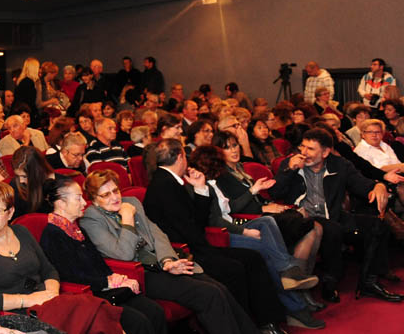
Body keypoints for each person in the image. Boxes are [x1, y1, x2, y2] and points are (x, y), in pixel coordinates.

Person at [79, 170, 260, 334]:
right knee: (208, 294)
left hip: (162, 263)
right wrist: (127, 219)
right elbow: (123, 254)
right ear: (94, 199)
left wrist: (167, 260)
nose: (115, 197)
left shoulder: (131, 202)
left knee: (219, 288)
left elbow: (157, 234)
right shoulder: (92, 219)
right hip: (141, 273)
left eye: (116, 191)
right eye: (106, 195)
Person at [142, 139, 288, 333]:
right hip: (184, 251)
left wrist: (200, 189)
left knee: (252, 258)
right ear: (180, 157)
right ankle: (247, 327)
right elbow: (190, 227)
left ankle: (268, 322)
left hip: (195, 244)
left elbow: (195, 221)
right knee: (234, 268)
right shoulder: (165, 185)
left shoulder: (169, 181)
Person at [187, 146, 325, 328]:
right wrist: (244, 232)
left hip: (234, 224)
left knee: (267, 222)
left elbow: (231, 209)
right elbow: (214, 221)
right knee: (263, 249)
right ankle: (296, 306)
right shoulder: (199, 186)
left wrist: (254, 190)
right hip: (222, 234)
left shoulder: (214, 183)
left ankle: (287, 269)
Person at [0, 182, 123, 334]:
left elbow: (48, 269)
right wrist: (28, 300)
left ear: (10, 212)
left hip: (46, 301)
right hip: (17, 314)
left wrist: (51, 293)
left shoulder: (21, 232)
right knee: (94, 311)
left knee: (98, 311)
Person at [270, 128, 400, 303]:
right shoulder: (291, 164)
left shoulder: (340, 164)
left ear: (325, 152)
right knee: (332, 228)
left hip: (333, 215)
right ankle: (330, 282)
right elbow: (275, 192)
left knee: (378, 225)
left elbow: (361, 185)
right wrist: (289, 170)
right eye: (303, 147)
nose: (304, 153)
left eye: (310, 149)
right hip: (305, 219)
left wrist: (378, 186)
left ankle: (368, 282)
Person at [39, 176, 166, 334]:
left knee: (155, 312)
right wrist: (108, 282)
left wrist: (116, 277)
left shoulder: (76, 229)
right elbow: (70, 277)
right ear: (61, 203)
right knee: (139, 322)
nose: (85, 203)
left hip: (105, 289)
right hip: (90, 297)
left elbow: (98, 262)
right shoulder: (52, 235)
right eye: (78, 198)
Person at [10, 146, 54, 217]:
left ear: (37, 172)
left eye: (25, 176)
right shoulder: (14, 185)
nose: (21, 181)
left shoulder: (53, 185)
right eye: (18, 176)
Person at [14, 58, 42, 125]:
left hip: (22, 113)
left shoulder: (22, 81)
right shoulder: (29, 82)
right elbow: (30, 102)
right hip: (26, 114)